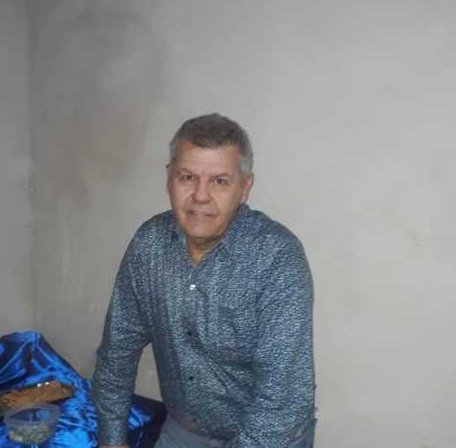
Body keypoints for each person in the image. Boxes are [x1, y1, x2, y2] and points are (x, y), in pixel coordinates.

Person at [92, 113, 316, 448]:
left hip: (270, 436)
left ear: (244, 188)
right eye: (188, 177)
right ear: (169, 179)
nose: (200, 196)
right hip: (184, 430)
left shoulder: (277, 258)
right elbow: (117, 353)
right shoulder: (148, 246)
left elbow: (281, 402)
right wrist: (111, 440)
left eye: (219, 181)